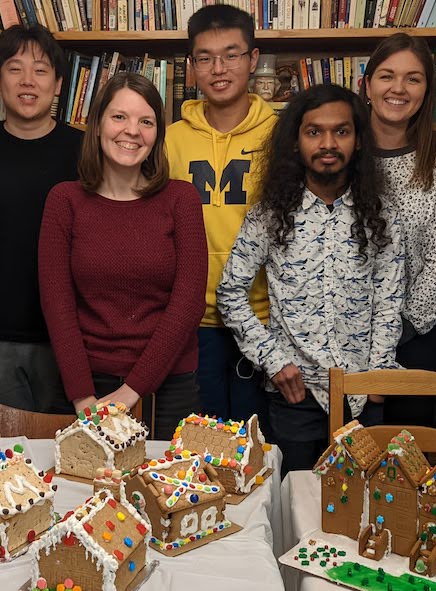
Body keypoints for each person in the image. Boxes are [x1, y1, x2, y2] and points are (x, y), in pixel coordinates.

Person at [217, 85, 404, 473]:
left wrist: (378, 379)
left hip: (363, 397)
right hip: (295, 396)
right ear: (296, 141)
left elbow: (389, 300)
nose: (328, 143)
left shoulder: (380, 213)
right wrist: (275, 361)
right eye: (314, 131)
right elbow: (230, 292)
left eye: (341, 131)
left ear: (357, 140)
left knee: (363, 515)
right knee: (294, 512)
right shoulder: (270, 214)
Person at [39, 73, 208, 440]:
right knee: (81, 492)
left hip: (168, 384)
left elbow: (189, 302)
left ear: (157, 136)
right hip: (83, 383)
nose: (132, 131)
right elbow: (57, 304)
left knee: (164, 494)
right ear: (98, 123)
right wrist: (85, 399)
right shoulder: (64, 200)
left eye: (146, 121)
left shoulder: (181, 199)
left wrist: (130, 393)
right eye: (119, 117)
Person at [0, 24, 82, 414]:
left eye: (41, 70)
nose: (28, 81)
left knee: (70, 460)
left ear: (58, 84)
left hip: (68, 337)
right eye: (15, 69)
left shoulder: (86, 152)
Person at [165, 4, 277, 432]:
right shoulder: (171, 138)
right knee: (199, 447)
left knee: (257, 445)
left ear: (252, 60)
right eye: (206, 57)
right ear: (192, 66)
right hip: (192, 321)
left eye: (231, 54)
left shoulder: (280, 136)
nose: (219, 68)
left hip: (264, 319)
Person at [361, 33, 436, 427]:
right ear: (367, 85)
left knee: (410, 460)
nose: (398, 88)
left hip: (416, 338)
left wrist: (398, 328)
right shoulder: (339, 155)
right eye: (387, 76)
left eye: (413, 79)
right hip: (341, 333)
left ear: (426, 91)